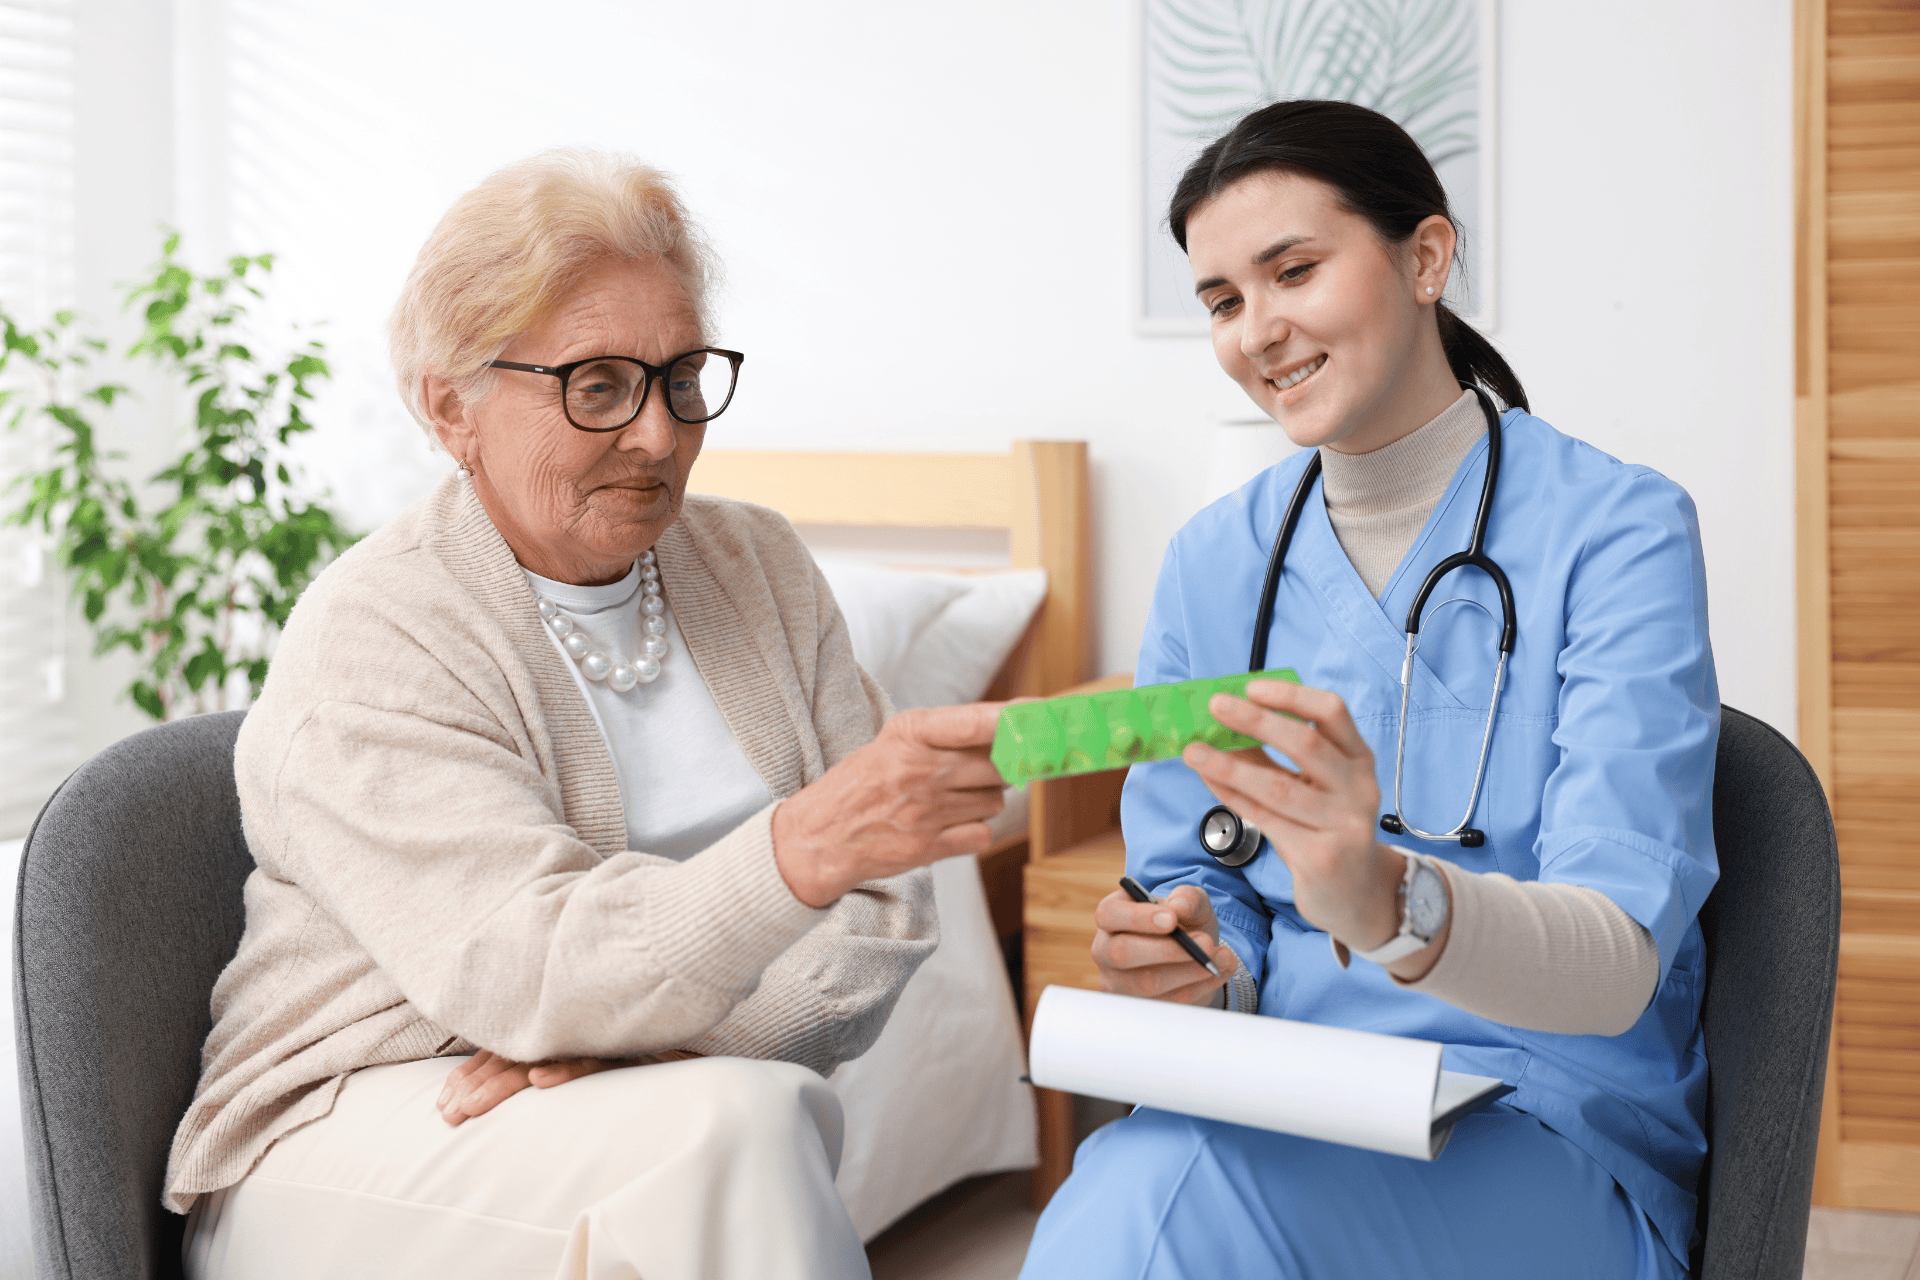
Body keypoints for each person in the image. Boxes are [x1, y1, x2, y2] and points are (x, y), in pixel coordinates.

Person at [167, 149, 1006, 1280]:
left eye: (680, 377)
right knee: (739, 1127)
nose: (659, 436)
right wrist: (800, 849)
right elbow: (527, 966)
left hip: (648, 1095)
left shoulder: (758, 562)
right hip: (359, 1125)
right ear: (451, 406)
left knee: (732, 1119)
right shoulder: (377, 629)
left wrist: (677, 1042)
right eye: (597, 386)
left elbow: (890, 907)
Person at [1019, 101, 1715, 1280]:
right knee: (1142, 1182)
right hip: (1293, 1097)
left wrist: (1389, 900)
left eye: (1294, 270)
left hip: (1544, 1125)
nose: (1260, 330)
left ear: (1426, 257)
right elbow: (1201, 875)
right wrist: (1189, 953)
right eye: (1226, 300)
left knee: (1156, 1208)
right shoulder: (1213, 561)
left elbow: (1616, 963)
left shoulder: (1620, 531)